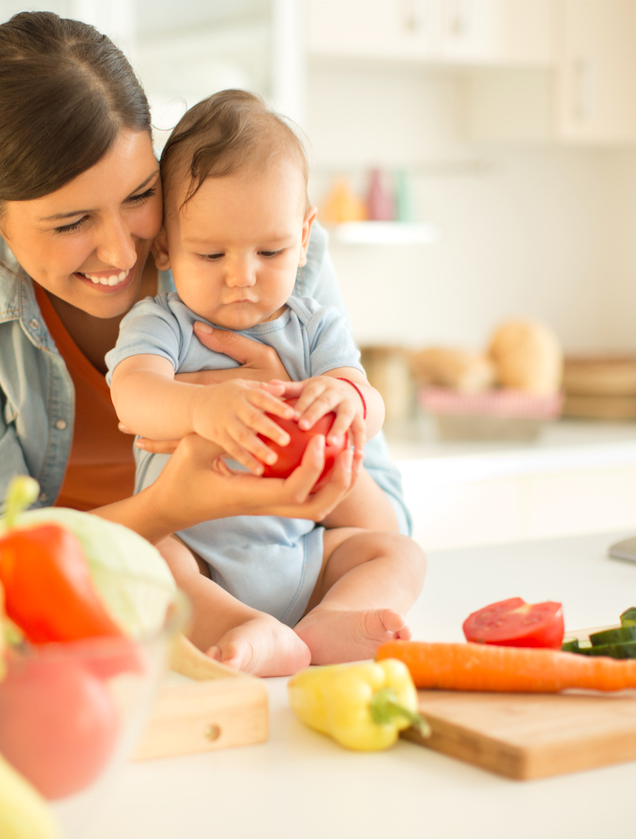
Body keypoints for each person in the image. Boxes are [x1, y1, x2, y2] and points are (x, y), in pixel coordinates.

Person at [0, 11, 420, 667]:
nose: (122, 250)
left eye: (140, 194)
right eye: (73, 220)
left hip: (249, 589)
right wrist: (171, 504)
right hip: (32, 621)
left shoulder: (251, 228)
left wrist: (312, 405)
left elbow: (384, 516)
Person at [106, 91, 425, 675]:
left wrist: (349, 398)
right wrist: (203, 409)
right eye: (210, 254)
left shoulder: (314, 327)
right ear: (167, 250)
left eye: (270, 250)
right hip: (195, 551)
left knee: (398, 553)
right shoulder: (163, 323)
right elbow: (133, 395)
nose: (242, 277)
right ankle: (238, 628)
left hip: (301, 550)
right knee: (147, 561)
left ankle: (330, 621)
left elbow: (369, 403)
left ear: (305, 238)